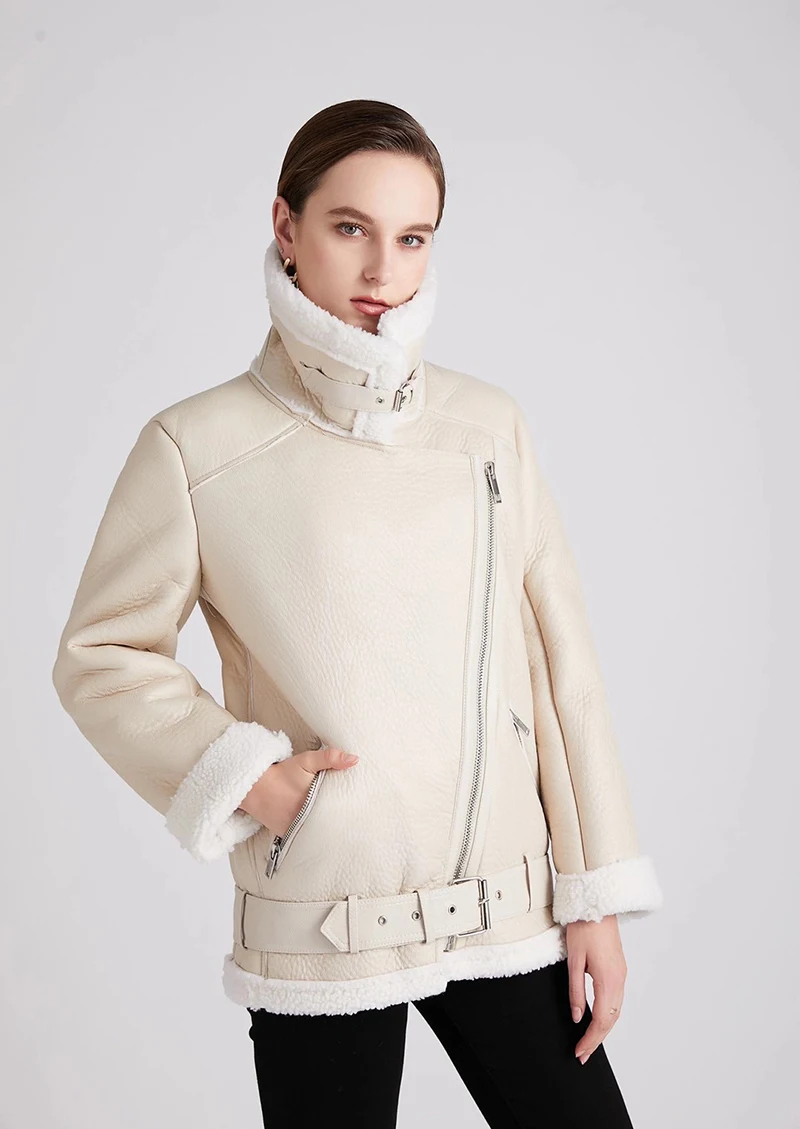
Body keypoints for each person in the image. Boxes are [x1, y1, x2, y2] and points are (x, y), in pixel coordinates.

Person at [52, 99, 664, 1128]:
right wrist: (250, 777)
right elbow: (101, 653)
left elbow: (560, 665)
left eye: (413, 237)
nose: (384, 270)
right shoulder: (197, 445)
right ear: (285, 227)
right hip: (322, 919)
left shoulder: (487, 426)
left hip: (506, 907)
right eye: (350, 228)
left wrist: (591, 894)